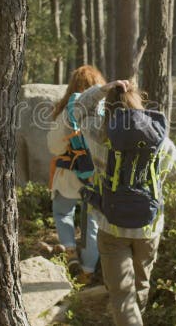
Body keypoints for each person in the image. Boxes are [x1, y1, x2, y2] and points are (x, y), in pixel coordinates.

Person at [72, 80, 176, 326]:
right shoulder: (158, 142)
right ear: (138, 102)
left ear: (107, 107)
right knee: (141, 285)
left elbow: (79, 109)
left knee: (121, 294)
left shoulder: (97, 133)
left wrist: (102, 89)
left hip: (111, 226)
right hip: (149, 228)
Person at [46, 65, 106, 284]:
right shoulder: (106, 109)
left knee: (63, 212)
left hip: (70, 175)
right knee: (93, 224)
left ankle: (70, 251)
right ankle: (88, 271)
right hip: (97, 177)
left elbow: (54, 147)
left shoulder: (66, 110)